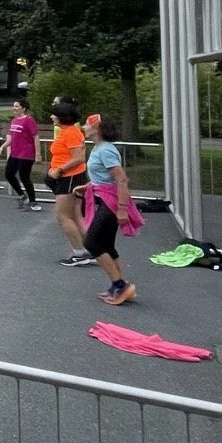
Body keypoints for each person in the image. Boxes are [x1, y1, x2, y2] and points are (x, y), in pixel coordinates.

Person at [79, 114, 141, 305]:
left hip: (111, 202)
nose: (83, 127)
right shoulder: (99, 148)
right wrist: (89, 186)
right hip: (105, 198)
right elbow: (104, 177)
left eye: (87, 125)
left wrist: (122, 209)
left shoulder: (106, 150)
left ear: (96, 129)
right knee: (106, 244)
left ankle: (120, 285)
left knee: (92, 243)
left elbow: (121, 179)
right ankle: (121, 286)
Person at [46, 101, 92, 267]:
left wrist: (59, 170)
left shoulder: (71, 133)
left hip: (69, 178)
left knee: (63, 216)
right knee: (74, 215)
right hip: (68, 177)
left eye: (54, 114)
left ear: (62, 117)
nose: (51, 117)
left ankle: (79, 253)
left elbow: (78, 158)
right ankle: (90, 249)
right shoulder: (67, 132)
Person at [0, 99, 41, 211]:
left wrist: (38, 154)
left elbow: (35, 137)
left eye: (16, 106)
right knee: (9, 174)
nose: (14, 108)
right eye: (14, 106)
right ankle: (22, 195)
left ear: (23, 108)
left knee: (24, 176)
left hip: (26, 154)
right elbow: (12, 138)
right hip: (15, 153)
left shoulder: (29, 120)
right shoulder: (14, 121)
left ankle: (33, 202)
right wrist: (3, 146)